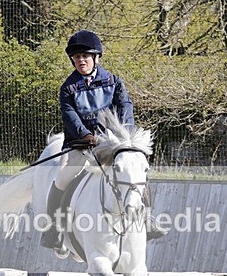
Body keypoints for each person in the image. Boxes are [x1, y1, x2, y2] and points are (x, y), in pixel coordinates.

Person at [41, 30, 165, 251]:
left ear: (96, 57)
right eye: (77, 57)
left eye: (85, 56)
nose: (80, 61)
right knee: (61, 178)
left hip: (111, 144)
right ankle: (54, 230)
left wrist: (123, 133)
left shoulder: (113, 81)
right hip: (81, 145)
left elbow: (125, 107)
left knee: (136, 172)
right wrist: (85, 135)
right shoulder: (68, 87)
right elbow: (69, 115)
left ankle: (147, 219)